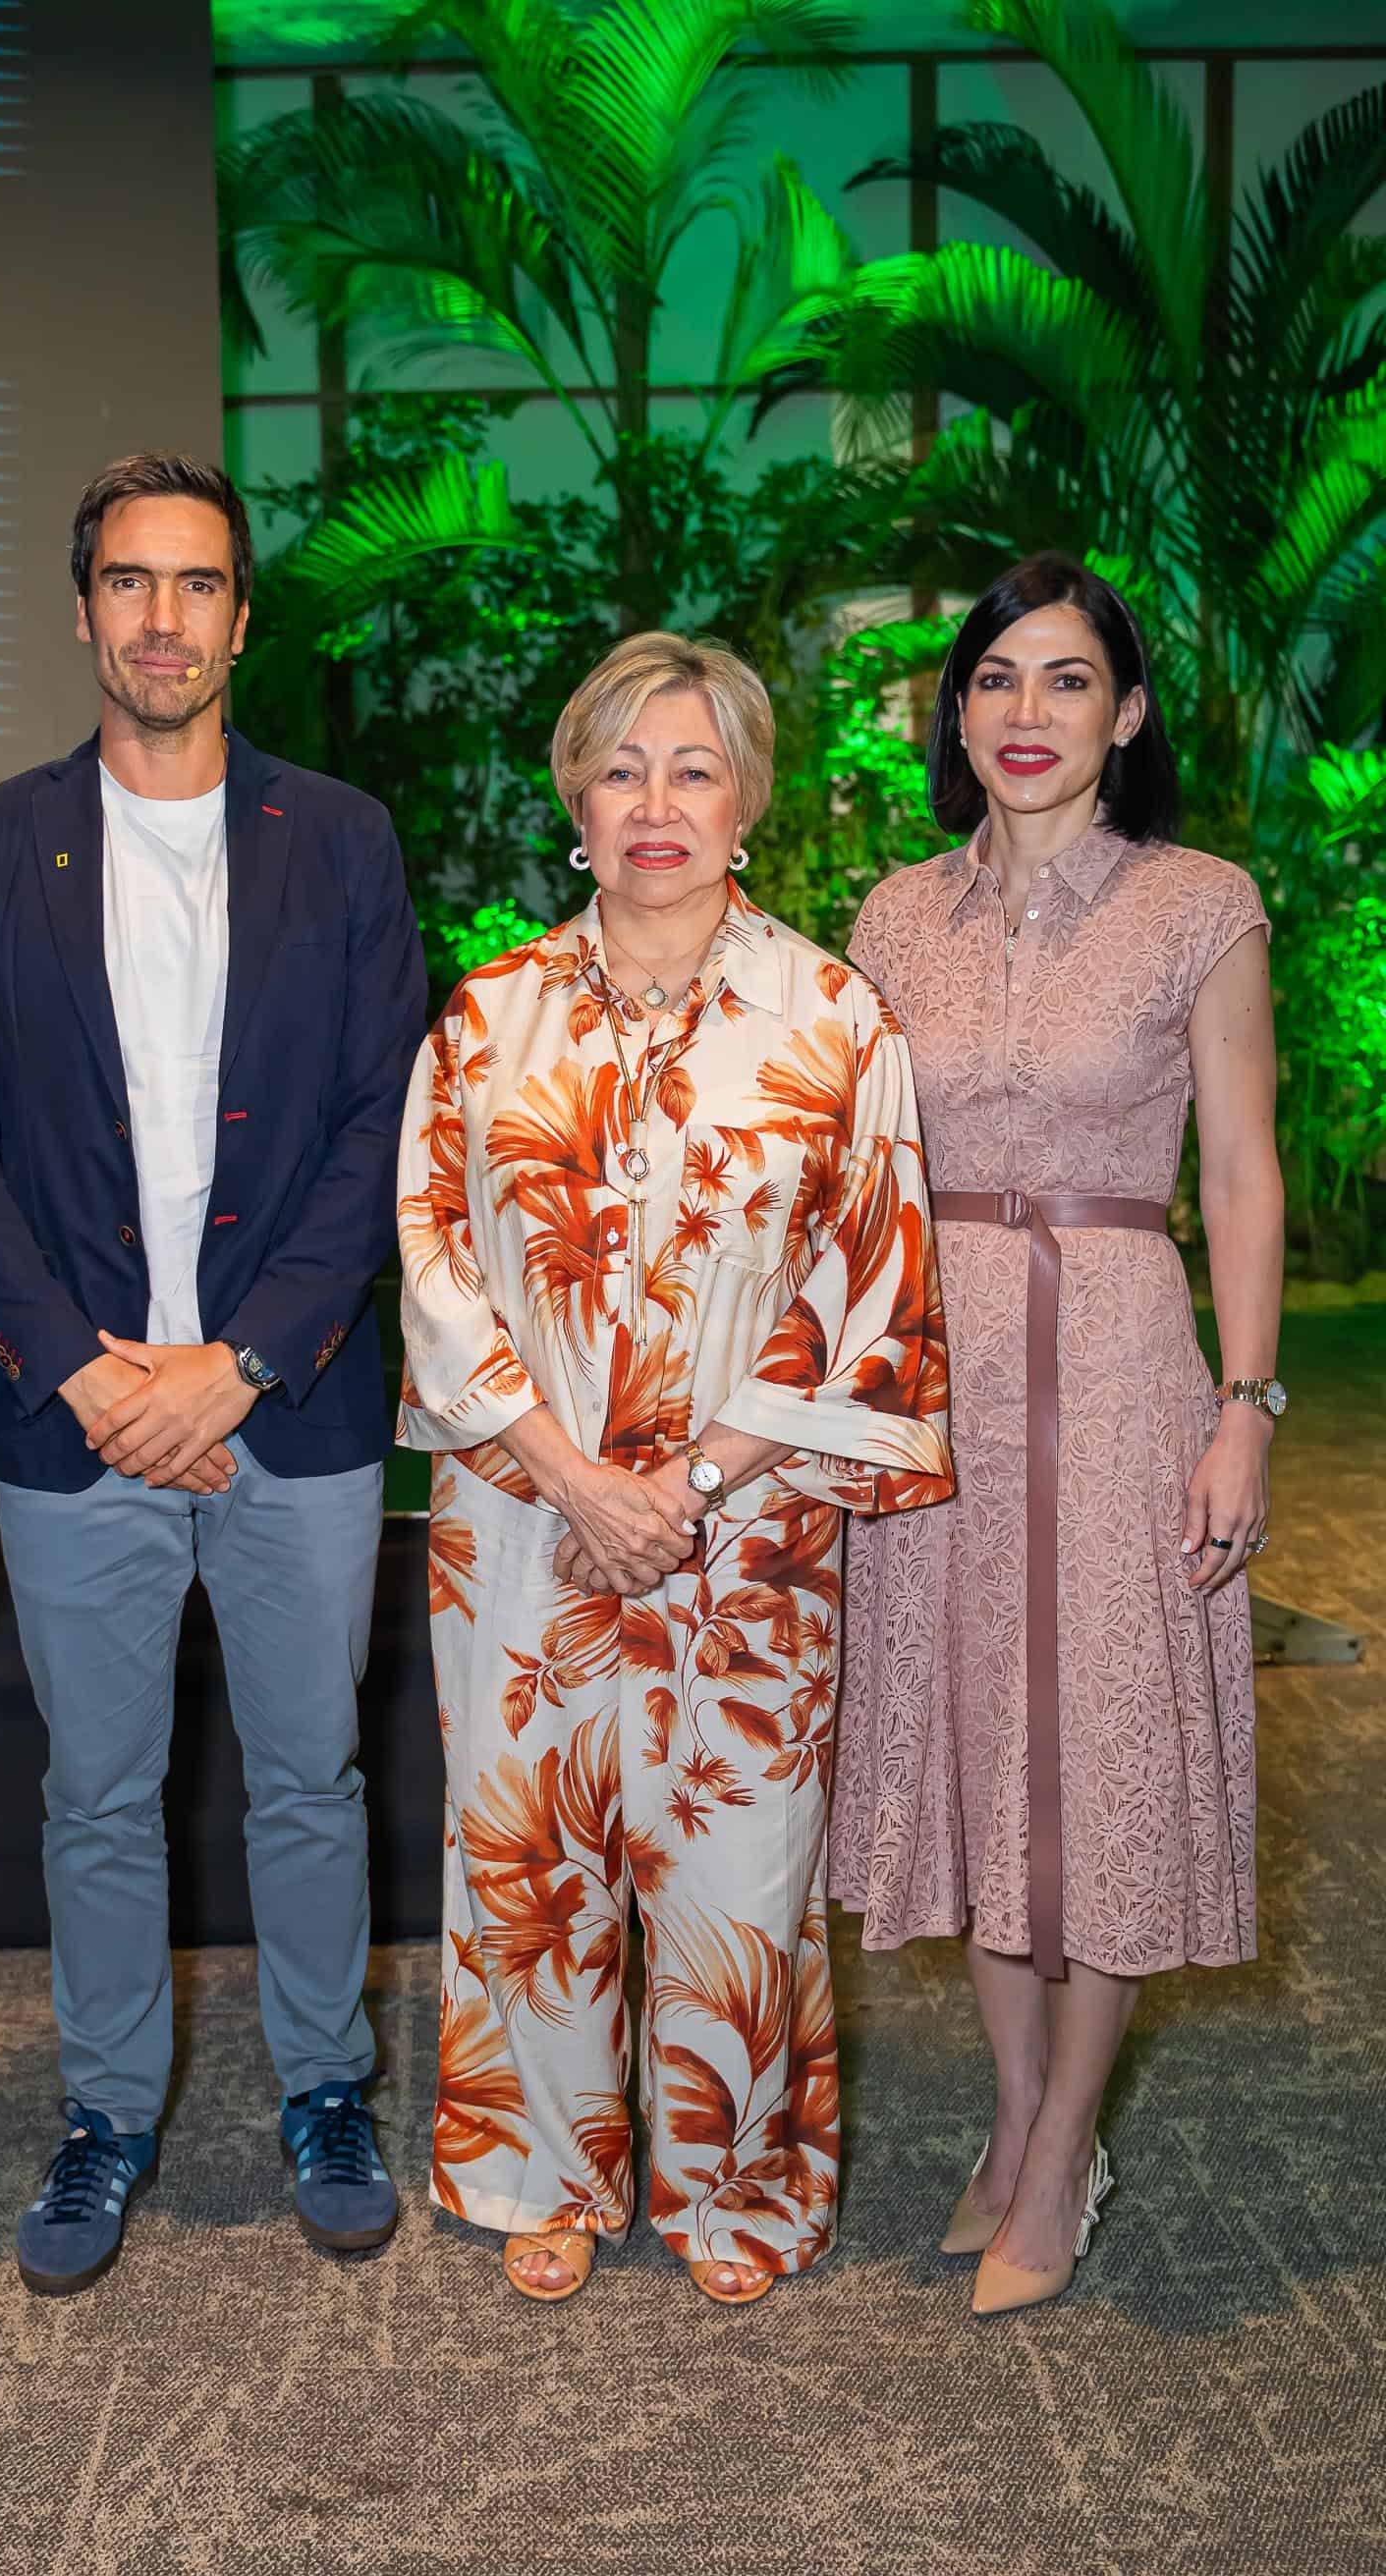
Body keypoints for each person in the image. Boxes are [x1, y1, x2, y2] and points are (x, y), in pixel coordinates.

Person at [397, 631, 951, 2305]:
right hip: (522, 1508)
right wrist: (577, 1477)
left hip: (752, 1523)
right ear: (575, 800)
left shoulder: (837, 1020)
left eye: (695, 769)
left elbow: (870, 1283)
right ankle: (542, 2168)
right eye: (623, 769)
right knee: (528, 1852)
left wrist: (688, 1484)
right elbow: (432, 1258)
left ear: (747, 801)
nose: (658, 803)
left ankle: (735, 2181)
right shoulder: (486, 1018)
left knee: (741, 1872)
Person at [0, 451, 426, 2295]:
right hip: (76, 1418)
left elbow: (382, 1124)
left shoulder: (342, 840)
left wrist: (240, 1363)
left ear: (241, 615)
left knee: (310, 1779)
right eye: (129, 582)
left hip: (291, 1407)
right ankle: (106, 2111)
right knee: (96, 1794)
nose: (162, 617)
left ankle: (325, 2090)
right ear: (83, 612)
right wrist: (78, 1370)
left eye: (196, 583)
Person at [828, 554, 1283, 2318]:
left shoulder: (1199, 906)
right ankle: (1020, 2121)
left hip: (1117, 1364)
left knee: (1101, 1752)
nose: (1029, 712)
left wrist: (1246, 1409)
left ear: (1128, 710)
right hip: (941, 1374)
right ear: (958, 713)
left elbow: (1239, 1176)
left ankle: (1071, 2131)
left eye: (1069, 679)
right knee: (976, 1745)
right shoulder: (892, 918)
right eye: (998, 679)